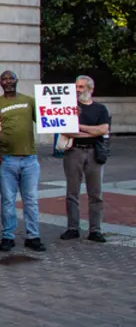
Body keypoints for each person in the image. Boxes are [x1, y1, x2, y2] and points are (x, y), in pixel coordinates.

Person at [0, 70, 45, 252]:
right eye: (4, 79)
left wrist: (69, 116)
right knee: (8, 201)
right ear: (0, 83)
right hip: (7, 160)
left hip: (29, 159)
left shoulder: (29, 101)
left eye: (10, 78)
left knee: (31, 200)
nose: (8, 81)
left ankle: (33, 236)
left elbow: (45, 119)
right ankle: (8, 236)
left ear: (16, 80)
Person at [59, 75, 111, 243]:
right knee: (72, 192)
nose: (77, 90)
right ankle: (72, 228)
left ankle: (95, 230)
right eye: (76, 87)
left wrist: (80, 127)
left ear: (90, 89)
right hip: (73, 152)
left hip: (94, 153)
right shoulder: (69, 108)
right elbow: (67, 130)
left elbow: (103, 129)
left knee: (96, 193)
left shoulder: (100, 109)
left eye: (81, 87)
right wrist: (91, 131)